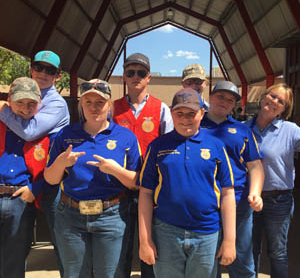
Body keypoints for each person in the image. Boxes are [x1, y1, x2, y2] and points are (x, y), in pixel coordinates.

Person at [44, 79, 142, 278]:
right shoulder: (66, 135)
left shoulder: (126, 137)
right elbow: (50, 179)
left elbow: (137, 181)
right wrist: (61, 163)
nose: (93, 107)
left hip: (111, 216)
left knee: (109, 274)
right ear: (80, 104)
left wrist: (115, 170)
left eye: (100, 102)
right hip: (70, 216)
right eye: (88, 102)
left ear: (110, 104)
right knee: (74, 274)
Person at [138, 88, 236, 278]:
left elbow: (228, 193)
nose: (185, 119)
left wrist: (230, 240)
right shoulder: (158, 146)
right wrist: (145, 239)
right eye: (179, 113)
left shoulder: (216, 145)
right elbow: (146, 193)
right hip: (166, 231)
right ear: (171, 113)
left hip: (206, 233)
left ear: (202, 113)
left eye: (192, 113)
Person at [0, 50, 70, 275]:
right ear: (31, 68)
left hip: (47, 185)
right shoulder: (26, 97)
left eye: (50, 70)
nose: (43, 73)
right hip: (23, 187)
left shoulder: (55, 104)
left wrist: (4, 109)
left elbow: (29, 132)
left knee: (62, 245)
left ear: (58, 75)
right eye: (39, 67)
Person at [112, 52, 173, 277]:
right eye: (131, 72)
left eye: (141, 73)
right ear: (124, 77)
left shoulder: (162, 109)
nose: (136, 76)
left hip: (151, 188)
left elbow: (169, 148)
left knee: (151, 247)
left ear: (149, 78)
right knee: (121, 246)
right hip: (120, 187)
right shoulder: (112, 109)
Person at [201, 81, 264, 278]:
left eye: (230, 100)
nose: (225, 102)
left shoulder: (243, 131)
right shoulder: (194, 125)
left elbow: (255, 166)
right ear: (211, 97)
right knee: (207, 262)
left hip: (238, 203)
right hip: (204, 203)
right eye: (221, 96)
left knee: (241, 259)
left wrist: (255, 193)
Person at [245, 83, 300, 278]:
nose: (274, 101)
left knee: (277, 252)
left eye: (281, 101)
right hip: (248, 200)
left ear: (284, 109)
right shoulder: (243, 129)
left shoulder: (291, 131)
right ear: (264, 96)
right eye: (273, 96)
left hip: (278, 201)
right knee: (249, 250)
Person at [0, 77, 47, 278]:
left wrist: (35, 189)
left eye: (31, 104)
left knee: (15, 262)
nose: (25, 108)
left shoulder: (43, 132)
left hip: (20, 200)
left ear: (40, 104)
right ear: (9, 101)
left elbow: (55, 169)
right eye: (20, 102)